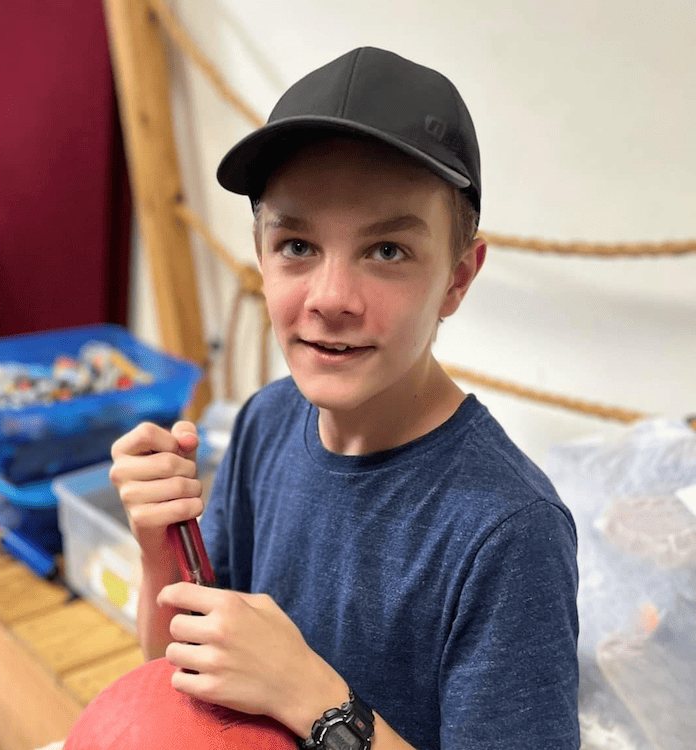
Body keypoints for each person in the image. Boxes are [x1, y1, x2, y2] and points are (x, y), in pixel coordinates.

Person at [110, 47, 578, 750]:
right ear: (261, 255)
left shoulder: (510, 530)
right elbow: (173, 676)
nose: (330, 300)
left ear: (457, 278)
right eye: (296, 244)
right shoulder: (267, 422)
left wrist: (312, 696)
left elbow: (285, 687)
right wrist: (158, 548)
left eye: (386, 250)